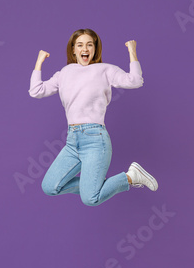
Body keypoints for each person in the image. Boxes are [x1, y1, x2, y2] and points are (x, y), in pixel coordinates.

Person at [28, 28, 158, 206]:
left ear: (95, 49)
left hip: (95, 140)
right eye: (80, 45)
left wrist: (132, 51)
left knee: (91, 199)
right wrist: (39, 62)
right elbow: (36, 91)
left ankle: (130, 177)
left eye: (90, 45)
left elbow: (135, 80)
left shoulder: (105, 70)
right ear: (73, 50)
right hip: (72, 141)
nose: (85, 49)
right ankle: (95, 185)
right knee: (50, 186)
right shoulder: (64, 73)